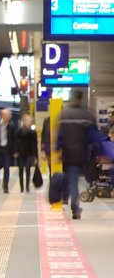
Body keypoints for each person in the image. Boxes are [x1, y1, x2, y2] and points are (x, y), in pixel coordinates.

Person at [56, 88, 100, 220]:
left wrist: (57, 150)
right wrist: (98, 151)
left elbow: (59, 135)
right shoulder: (87, 115)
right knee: (78, 180)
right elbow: (94, 136)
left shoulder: (64, 114)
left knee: (72, 180)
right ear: (82, 98)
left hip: (68, 153)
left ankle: (74, 207)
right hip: (83, 153)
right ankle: (76, 206)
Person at [14, 114, 38, 193]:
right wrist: (16, 151)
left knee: (28, 169)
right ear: (23, 122)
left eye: (30, 121)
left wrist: (36, 156)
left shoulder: (33, 132)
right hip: (21, 153)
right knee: (21, 169)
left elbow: (35, 144)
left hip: (29, 153)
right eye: (27, 121)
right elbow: (16, 142)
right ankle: (21, 187)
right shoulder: (19, 131)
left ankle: (27, 186)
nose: (29, 122)